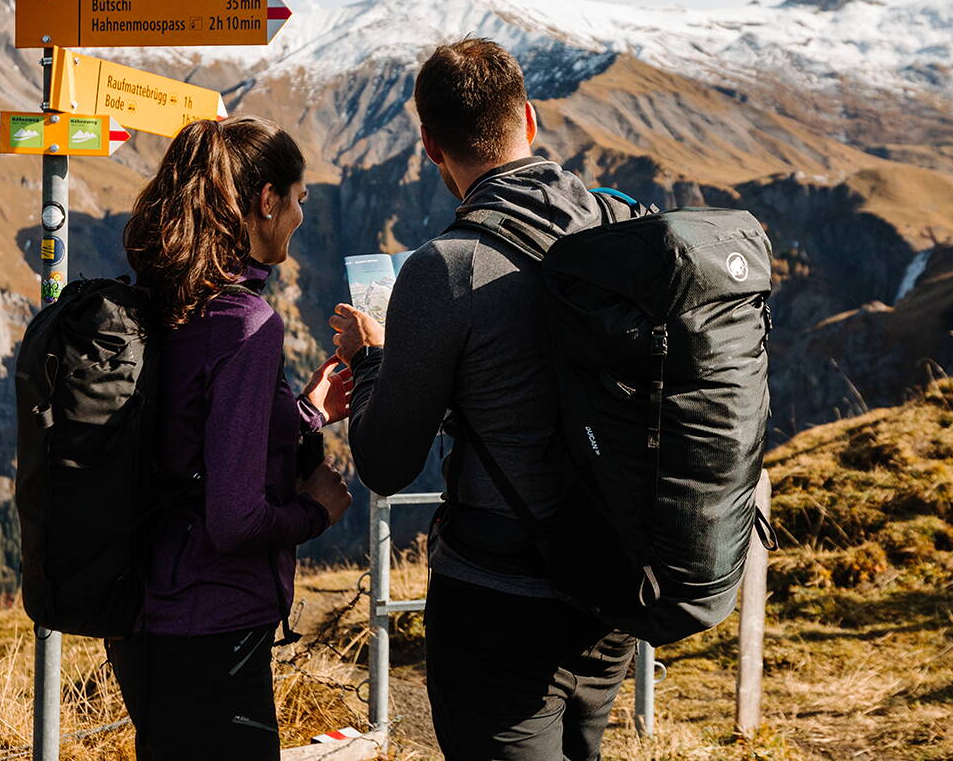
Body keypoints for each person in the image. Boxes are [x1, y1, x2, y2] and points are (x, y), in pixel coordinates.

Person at [331, 38, 637, 761]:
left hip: (502, 596)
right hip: (614, 579)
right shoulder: (616, 224)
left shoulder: (448, 267)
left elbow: (385, 462)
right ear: (528, 118)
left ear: (431, 145)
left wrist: (371, 361)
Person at [110, 116, 354, 761]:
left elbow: (194, 433)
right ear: (266, 200)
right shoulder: (246, 323)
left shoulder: (164, 298)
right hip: (211, 624)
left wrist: (304, 413)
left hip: (142, 615)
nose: (301, 217)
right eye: (298, 199)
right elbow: (235, 520)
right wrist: (317, 511)